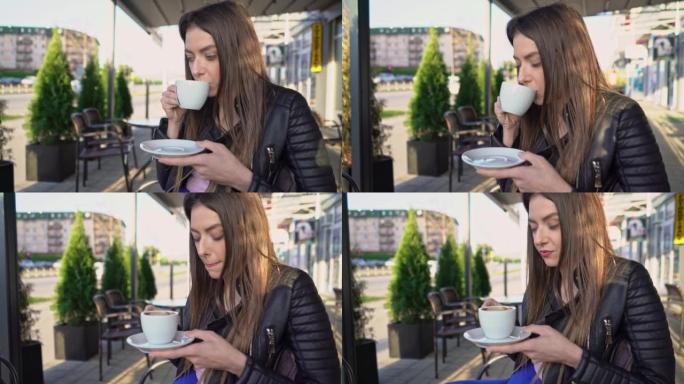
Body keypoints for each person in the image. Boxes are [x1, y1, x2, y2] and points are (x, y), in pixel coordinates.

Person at [455, 193, 674, 384]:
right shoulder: (540, 286)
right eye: (533, 228)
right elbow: (533, 358)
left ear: (583, 223)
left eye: (553, 225)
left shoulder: (628, 280)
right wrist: (507, 332)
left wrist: (572, 356)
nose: (539, 239)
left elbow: (659, 380)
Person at [475, 3, 670, 192]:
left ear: (569, 60)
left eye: (535, 62)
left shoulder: (621, 116)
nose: (521, 77)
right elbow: (509, 187)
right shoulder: (530, 115)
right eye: (518, 64)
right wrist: (509, 131)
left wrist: (556, 188)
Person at [148, 193, 341, 383]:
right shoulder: (201, 292)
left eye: (217, 235)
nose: (202, 250)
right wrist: (168, 336)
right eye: (196, 238)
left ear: (248, 232)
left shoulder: (291, 289)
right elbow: (194, 364)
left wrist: (237, 364)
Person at [155, 1, 336, 192]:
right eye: (190, 58)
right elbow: (168, 184)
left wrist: (241, 179)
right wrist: (174, 123)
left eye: (210, 56)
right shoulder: (195, 110)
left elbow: (323, 192)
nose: (196, 70)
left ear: (239, 55)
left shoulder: (287, 108)